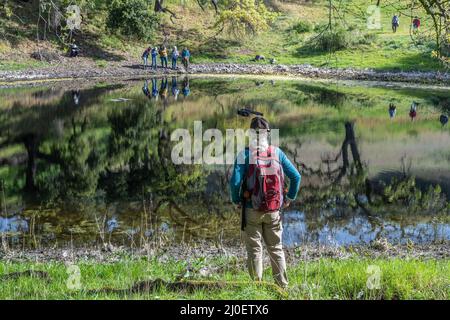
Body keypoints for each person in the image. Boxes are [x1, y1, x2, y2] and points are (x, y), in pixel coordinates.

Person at [229, 117, 301, 288]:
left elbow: (234, 183)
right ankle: (282, 287)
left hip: (250, 210)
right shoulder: (277, 153)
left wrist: (236, 201)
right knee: (276, 248)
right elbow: (296, 177)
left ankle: (257, 288)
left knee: (255, 250)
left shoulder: (244, 154)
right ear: (267, 134)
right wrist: (289, 198)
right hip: (273, 210)